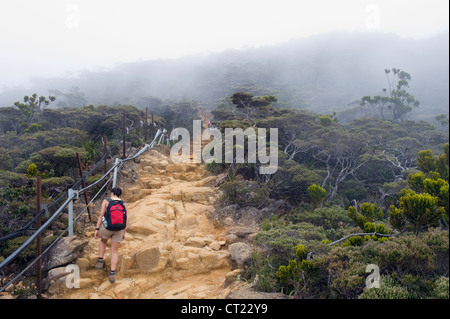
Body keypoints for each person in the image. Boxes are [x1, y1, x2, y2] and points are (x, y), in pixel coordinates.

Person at [94, 187, 127, 283]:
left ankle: (100, 260)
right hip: (119, 229)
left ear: (112, 193)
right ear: (120, 195)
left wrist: (97, 229)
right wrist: (124, 232)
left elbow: (101, 215)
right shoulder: (124, 203)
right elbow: (126, 218)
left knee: (103, 242)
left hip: (108, 228)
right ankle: (112, 273)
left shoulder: (106, 201)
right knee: (115, 251)